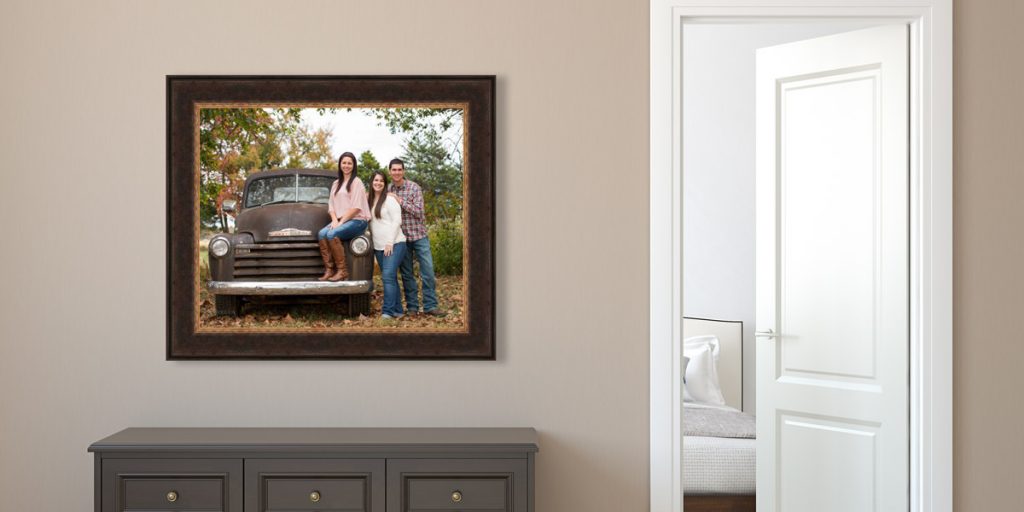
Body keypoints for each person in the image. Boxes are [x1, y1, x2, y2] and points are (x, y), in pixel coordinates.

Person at [387, 158, 445, 316]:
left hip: (419, 236)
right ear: (390, 171)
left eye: (399, 169)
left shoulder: (414, 188)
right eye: (394, 170)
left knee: (428, 271)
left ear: (403, 171)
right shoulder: (388, 189)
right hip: (401, 239)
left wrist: (399, 200)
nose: (397, 172)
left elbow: (419, 211)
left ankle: (430, 306)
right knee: (407, 274)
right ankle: (412, 307)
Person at [317, 152, 370, 282]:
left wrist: (341, 223)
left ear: (353, 165)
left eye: (349, 163)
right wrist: (335, 220)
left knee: (332, 234)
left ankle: (342, 271)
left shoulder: (357, 182)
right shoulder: (336, 183)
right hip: (341, 220)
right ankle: (330, 269)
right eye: (344, 163)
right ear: (340, 164)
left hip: (357, 220)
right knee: (322, 234)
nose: (346, 165)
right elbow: (331, 205)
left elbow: (356, 208)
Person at [367, 171, 407, 319]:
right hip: (378, 246)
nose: (378, 183)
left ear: (385, 184)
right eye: (376, 180)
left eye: (381, 181)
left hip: (395, 243)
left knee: (388, 276)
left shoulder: (389, 200)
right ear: (371, 182)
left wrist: (390, 242)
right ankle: (398, 310)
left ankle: (387, 311)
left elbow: (397, 221)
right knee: (391, 279)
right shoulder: (369, 200)